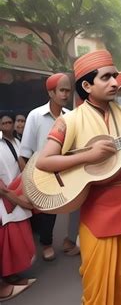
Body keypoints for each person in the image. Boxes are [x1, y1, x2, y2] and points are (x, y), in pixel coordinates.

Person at [35, 50, 121, 304]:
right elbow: (44, 162)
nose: (114, 83)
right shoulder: (69, 121)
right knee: (102, 290)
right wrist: (88, 157)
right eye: (106, 77)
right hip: (99, 213)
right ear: (87, 85)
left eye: (115, 76)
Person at [20, 73, 79, 261]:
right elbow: (25, 153)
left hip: (69, 169)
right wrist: (27, 183)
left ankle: (71, 239)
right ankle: (46, 243)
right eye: (62, 90)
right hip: (43, 173)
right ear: (51, 92)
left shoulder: (72, 116)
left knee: (77, 205)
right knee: (48, 213)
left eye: (68, 91)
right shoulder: (35, 116)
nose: (65, 95)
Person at [0, 112, 36, 291]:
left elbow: (23, 167)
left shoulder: (17, 141)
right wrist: (12, 197)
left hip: (19, 191)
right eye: (3, 121)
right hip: (5, 199)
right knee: (8, 239)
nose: (7, 123)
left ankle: (14, 274)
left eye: (10, 121)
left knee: (20, 235)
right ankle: (8, 277)